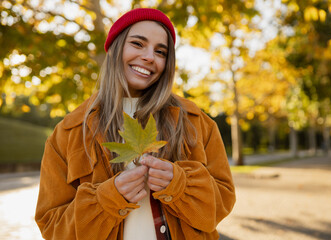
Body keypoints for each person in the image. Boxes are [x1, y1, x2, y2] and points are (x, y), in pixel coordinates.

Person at [35, 8, 235, 240]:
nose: (149, 56)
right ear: (115, 49)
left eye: (160, 51)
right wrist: (107, 199)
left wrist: (180, 186)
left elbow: (223, 202)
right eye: (138, 44)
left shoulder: (195, 121)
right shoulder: (68, 132)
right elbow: (53, 228)